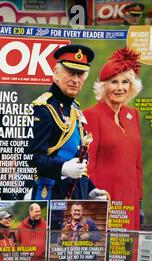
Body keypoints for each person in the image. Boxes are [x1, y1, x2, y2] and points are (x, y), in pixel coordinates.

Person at [28, 44, 108, 201]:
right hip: (50, 195)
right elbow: (32, 158)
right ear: (56, 73)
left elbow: (78, 160)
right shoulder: (43, 109)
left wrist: (90, 189)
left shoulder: (75, 109)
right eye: (71, 73)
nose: (76, 80)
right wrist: (62, 168)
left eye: (80, 75)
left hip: (76, 195)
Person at [83, 48, 143, 230]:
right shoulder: (92, 115)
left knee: (129, 252)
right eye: (114, 82)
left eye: (125, 82)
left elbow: (137, 163)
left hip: (130, 199)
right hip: (105, 197)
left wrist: (139, 198)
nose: (120, 88)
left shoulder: (133, 114)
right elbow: (88, 163)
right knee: (105, 253)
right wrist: (94, 198)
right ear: (103, 86)